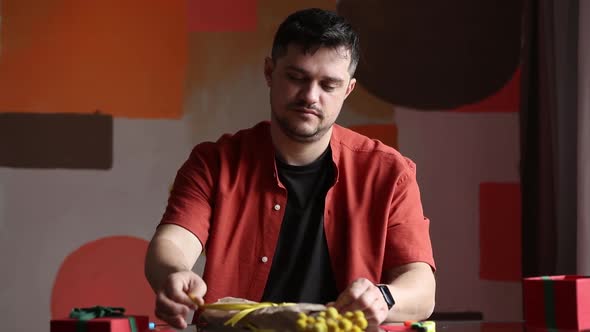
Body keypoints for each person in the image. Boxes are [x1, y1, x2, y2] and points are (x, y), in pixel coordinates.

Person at [145, 7, 436, 331]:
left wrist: (384, 298)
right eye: (297, 78)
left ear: (348, 90)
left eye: (328, 85)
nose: (310, 96)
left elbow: (423, 290)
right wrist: (174, 274)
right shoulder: (214, 162)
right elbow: (172, 243)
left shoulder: (390, 172)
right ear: (270, 72)